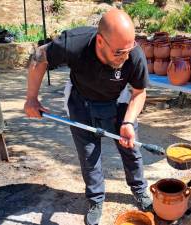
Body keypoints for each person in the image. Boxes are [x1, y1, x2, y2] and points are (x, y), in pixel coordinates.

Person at [24, 8, 152, 225]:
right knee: (89, 155)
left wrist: (128, 122)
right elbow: (39, 55)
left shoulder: (134, 54)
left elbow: (139, 93)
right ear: (100, 41)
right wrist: (31, 98)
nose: (126, 56)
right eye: (119, 52)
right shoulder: (74, 43)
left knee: (131, 149)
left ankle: (140, 190)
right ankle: (95, 199)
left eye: (128, 50)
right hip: (81, 101)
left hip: (118, 102)